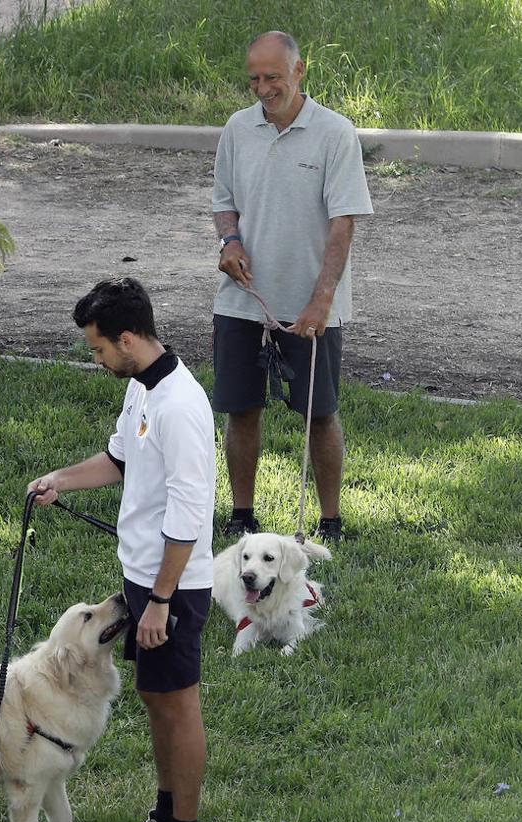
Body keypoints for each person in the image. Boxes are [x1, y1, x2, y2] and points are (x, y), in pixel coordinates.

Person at [28, 277, 215, 822]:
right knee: (153, 695)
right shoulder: (140, 388)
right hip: (142, 579)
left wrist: (160, 600)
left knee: (178, 701)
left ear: (128, 338)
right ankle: (164, 812)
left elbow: (189, 513)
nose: (97, 358)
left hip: (173, 585)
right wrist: (58, 479)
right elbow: (116, 460)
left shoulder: (181, 405)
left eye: (99, 348)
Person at [211, 30, 374, 541]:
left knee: (319, 414)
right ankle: (241, 514)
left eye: (273, 78)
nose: (262, 89)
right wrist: (230, 243)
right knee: (241, 409)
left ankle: (330, 520)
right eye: (255, 79)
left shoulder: (335, 133)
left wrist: (322, 298)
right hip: (243, 299)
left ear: (300, 71)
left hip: (311, 305)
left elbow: (343, 222)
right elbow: (224, 202)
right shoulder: (238, 129)